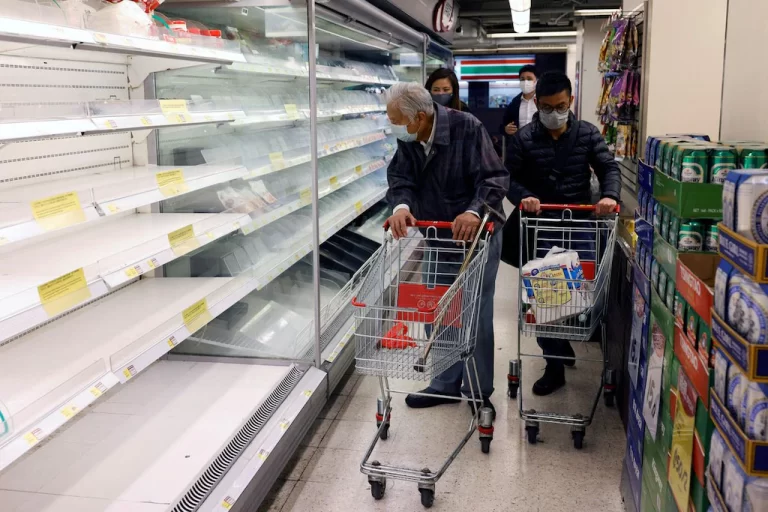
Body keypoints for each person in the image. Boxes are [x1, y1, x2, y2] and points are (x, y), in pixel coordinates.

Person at [385, 82, 508, 415]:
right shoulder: (409, 138)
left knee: (474, 313)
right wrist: (401, 207)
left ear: (420, 118)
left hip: (476, 238)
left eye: (396, 120)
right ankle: (444, 384)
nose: (392, 125)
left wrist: (474, 211)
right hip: (438, 236)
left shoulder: (467, 127)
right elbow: (400, 178)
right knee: (438, 309)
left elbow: (494, 178)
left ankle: (478, 390)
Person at [505, 71, 621, 396]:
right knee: (546, 298)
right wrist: (524, 196)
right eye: (545, 107)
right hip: (541, 226)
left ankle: (565, 339)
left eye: (559, 106)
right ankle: (553, 364)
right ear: (537, 104)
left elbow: (608, 167)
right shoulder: (524, 139)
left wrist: (610, 195)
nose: (553, 113)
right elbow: (508, 178)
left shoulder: (587, 133)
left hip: (580, 224)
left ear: (571, 101)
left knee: (579, 293)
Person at [499, 64, 538, 136]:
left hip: (540, 141)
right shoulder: (514, 103)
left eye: (529, 79)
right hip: (519, 142)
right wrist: (506, 129)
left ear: (536, 81)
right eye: (522, 79)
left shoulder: (543, 101)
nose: (525, 82)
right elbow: (502, 126)